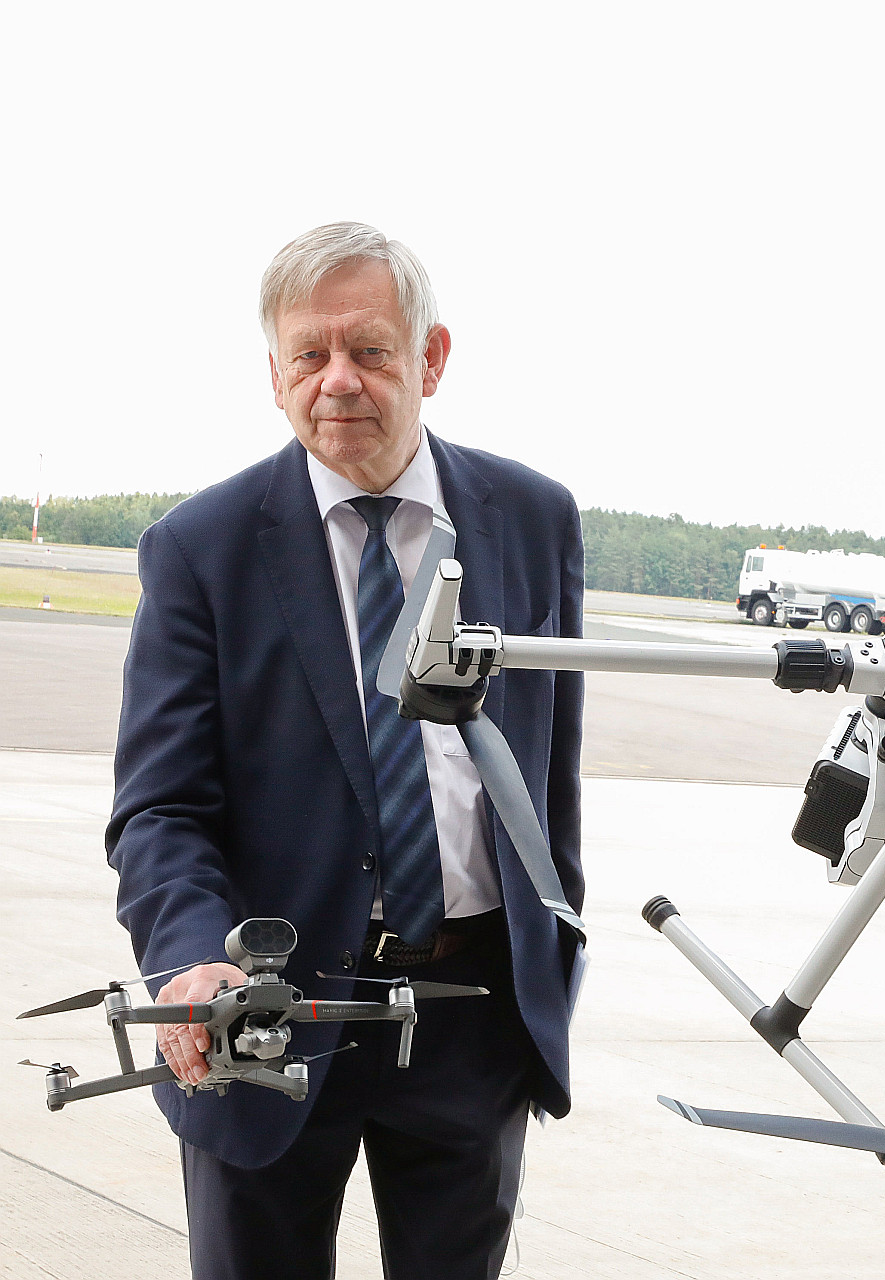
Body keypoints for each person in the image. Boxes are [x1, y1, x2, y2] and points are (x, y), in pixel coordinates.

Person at [107, 222, 585, 1280]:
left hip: (470, 1013)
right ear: (273, 374)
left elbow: (551, 774)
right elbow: (160, 808)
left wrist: (552, 949)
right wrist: (190, 959)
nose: (339, 381)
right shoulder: (201, 549)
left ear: (432, 357)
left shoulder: (534, 519)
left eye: (369, 349)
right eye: (308, 355)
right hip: (266, 1015)